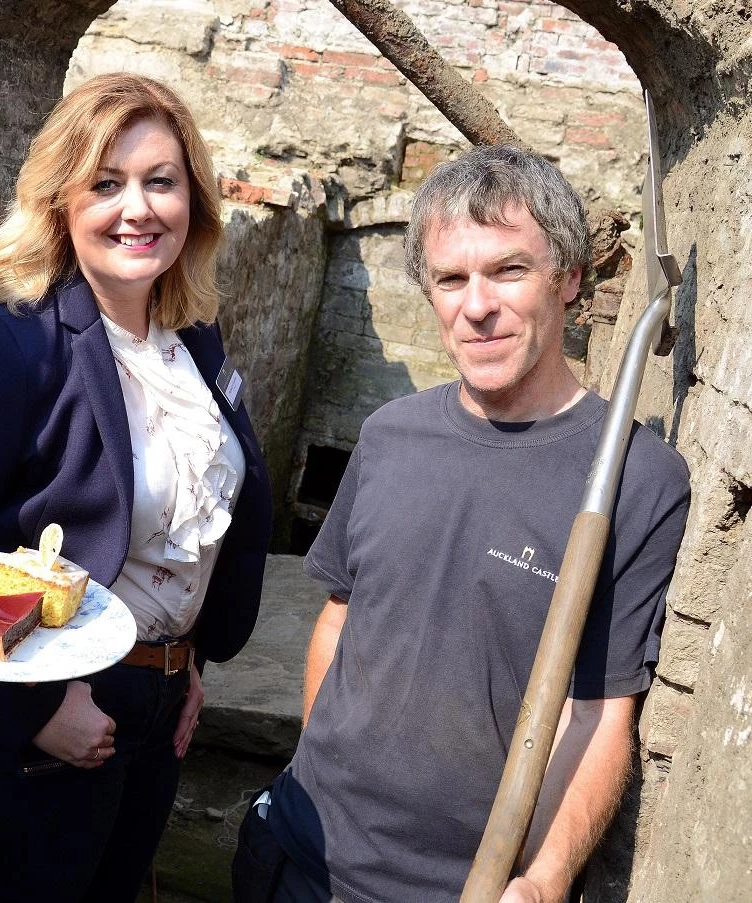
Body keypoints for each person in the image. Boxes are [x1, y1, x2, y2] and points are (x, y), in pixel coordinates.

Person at [230, 145, 691, 903]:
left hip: (453, 888)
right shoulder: (388, 435)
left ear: (569, 279)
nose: (477, 305)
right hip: (294, 853)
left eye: (508, 270)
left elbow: (601, 714)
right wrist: (308, 769)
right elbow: (339, 622)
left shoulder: (636, 480)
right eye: (451, 278)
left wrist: (543, 879)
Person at [0, 73, 272, 902]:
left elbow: (192, 526)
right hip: (42, 719)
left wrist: (185, 656)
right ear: (62, 201)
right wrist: (38, 706)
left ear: (192, 202)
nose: (137, 208)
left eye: (160, 181)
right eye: (106, 183)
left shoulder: (196, 342)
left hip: (161, 704)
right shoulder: (14, 344)